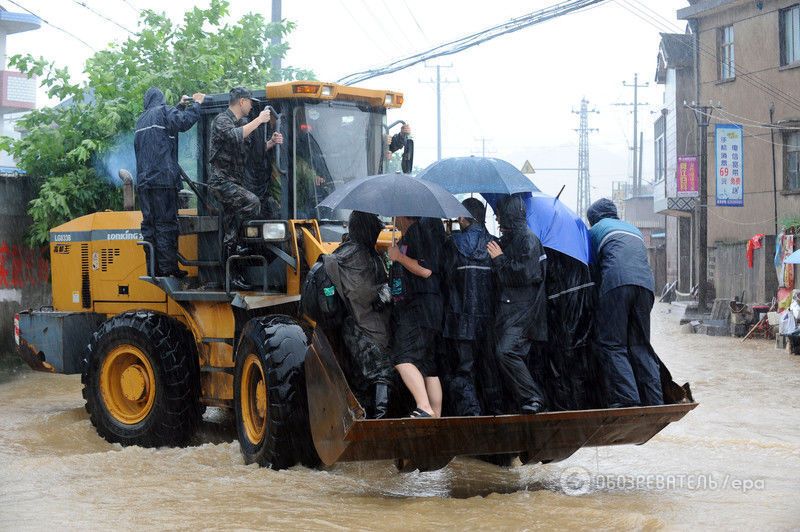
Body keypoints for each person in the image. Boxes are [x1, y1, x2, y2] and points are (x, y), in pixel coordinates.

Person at [587, 198, 663, 407]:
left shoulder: (594, 232)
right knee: (640, 344)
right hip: (647, 287)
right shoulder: (633, 229)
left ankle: (628, 398)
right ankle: (655, 399)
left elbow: (590, 268)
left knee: (612, 343)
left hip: (617, 284)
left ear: (594, 218)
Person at [208, 86, 283, 289]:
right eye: (250, 102)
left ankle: (232, 274)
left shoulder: (242, 123)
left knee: (231, 230)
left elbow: (253, 150)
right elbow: (235, 136)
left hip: (234, 183)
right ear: (241, 101)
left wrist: (271, 143)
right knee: (252, 202)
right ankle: (243, 247)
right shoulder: (222, 120)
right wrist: (259, 120)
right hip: (221, 182)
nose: (251, 106)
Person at [325, 211, 393, 418]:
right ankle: (378, 419)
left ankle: (366, 415)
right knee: (381, 372)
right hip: (364, 326)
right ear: (367, 230)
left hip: (357, 325)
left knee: (363, 378)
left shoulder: (350, 253)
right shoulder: (359, 256)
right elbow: (363, 293)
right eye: (375, 229)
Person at [442, 198, 504, 416]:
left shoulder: (453, 244)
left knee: (464, 369)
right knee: (489, 368)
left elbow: (446, 280)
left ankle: (471, 416)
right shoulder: (495, 244)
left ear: (462, 217)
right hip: (489, 320)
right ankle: (495, 414)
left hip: (460, 320)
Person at [486, 194, 548, 414]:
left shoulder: (528, 240)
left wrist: (500, 259)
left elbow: (524, 274)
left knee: (506, 351)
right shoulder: (513, 238)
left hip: (523, 311)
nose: (498, 219)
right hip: (510, 309)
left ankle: (533, 397)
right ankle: (520, 401)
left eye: (501, 215)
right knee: (504, 353)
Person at [134, 87, 204, 277]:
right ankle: (168, 269)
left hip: (144, 184)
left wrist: (180, 106)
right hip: (163, 180)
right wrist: (197, 104)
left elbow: (168, 125)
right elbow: (183, 123)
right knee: (166, 225)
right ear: (162, 100)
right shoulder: (164, 112)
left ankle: (153, 269)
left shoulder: (141, 120)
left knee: (150, 226)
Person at [388, 216, 444, 418]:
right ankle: (436, 416)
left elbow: (426, 270)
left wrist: (398, 256)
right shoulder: (432, 230)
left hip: (418, 307)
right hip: (432, 306)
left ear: (404, 215)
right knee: (429, 366)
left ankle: (425, 407)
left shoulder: (419, 232)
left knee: (401, 357)